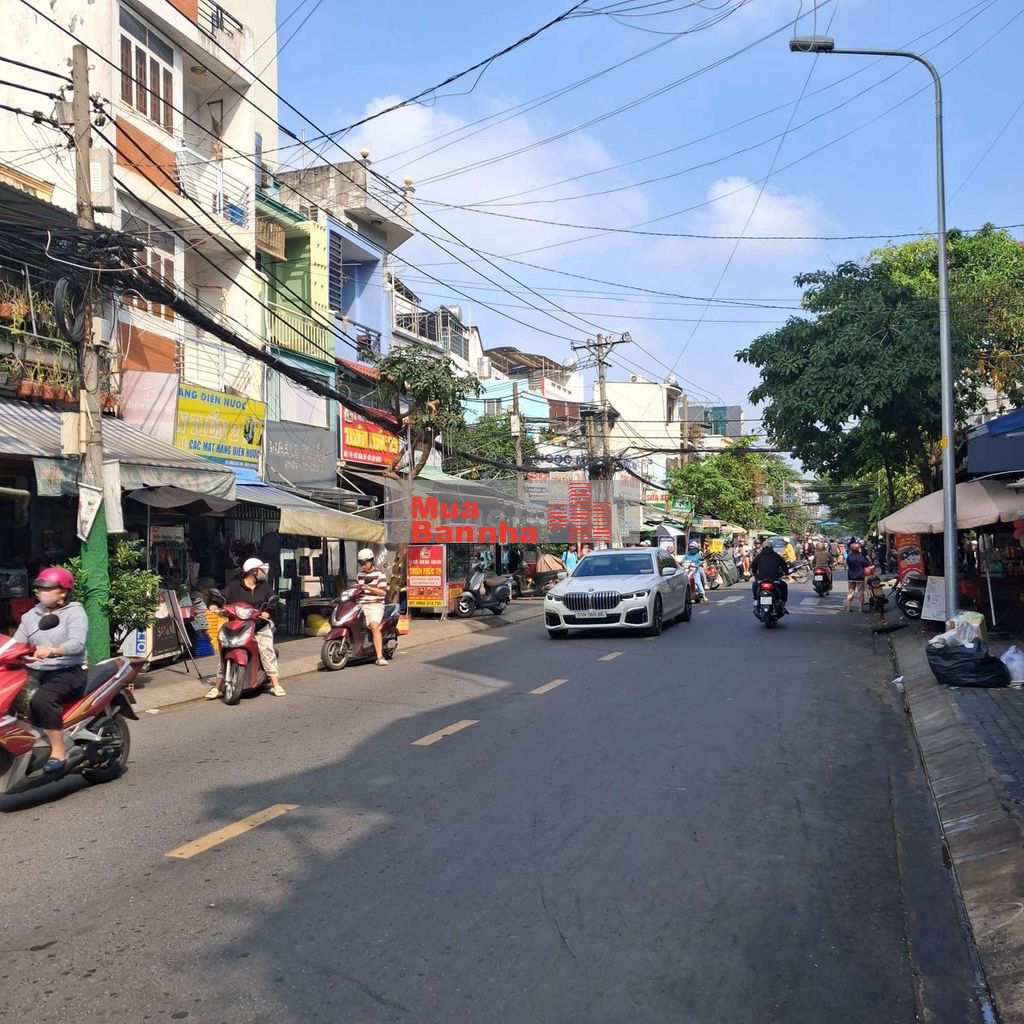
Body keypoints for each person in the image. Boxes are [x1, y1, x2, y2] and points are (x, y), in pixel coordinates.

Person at [12, 567, 88, 773]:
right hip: (36, 670)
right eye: (40, 589)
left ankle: (59, 751)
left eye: (48, 589)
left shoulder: (75, 612)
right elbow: (17, 643)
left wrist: (53, 651)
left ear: (63, 591)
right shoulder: (30, 616)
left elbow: (77, 644)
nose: (42, 593)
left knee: (41, 699)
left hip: (69, 670)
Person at [206, 557, 285, 698]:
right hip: (237, 626)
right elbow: (221, 597)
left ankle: (276, 684)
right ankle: (217, 687)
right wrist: (214, 604)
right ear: (253, 571)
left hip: (259, 626)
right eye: (261, 570)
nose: (263, 573)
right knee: (225, 651)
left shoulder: (264, 586)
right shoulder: (234, 585)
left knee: (266, 650)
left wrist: (268, 612)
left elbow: (272, 600)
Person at [355, 548, 389, 667]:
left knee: (374, 626)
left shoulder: (380, 574)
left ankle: (380, 657)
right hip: (360, 604)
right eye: (360, 563)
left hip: (375, 604)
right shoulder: (359, 574)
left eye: (364, 563)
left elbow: (383, 592)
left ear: (371, 561)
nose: (363, 565)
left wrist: (369, 588)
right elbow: (356, 589)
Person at [751, 539, 790, 606]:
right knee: (784, 585)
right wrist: (786, 573)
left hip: (762, 580)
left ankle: (756, 600)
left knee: (754, 585)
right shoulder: (777, 556)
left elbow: (753, 565)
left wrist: (755, 573)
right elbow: (784, 565)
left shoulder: (759, 556)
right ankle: (783, 602)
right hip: (774, 580)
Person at [845, 542, 870, 613]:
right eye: (859, 548)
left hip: (851, 577)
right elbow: (866, 564)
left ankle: (848, 607)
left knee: (851, 592)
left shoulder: (849, 557)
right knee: (860, 592)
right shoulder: (861, 557)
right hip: (860, 577)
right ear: (857, 549)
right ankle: (860, 609)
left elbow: (848, 563)